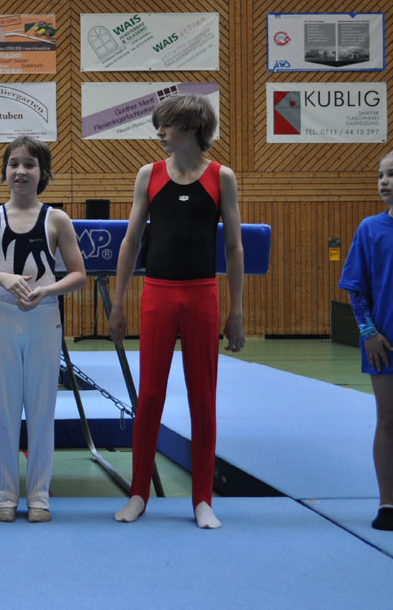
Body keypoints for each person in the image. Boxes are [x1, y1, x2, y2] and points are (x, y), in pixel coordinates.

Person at [108, 94, 244, 529]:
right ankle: (138, 494)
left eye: (166, 125)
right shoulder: (148, 174)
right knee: (150, 396)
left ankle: (202, 499)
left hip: (202, 296)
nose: (159, 132)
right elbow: (131, 241)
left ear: (191, 128)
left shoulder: (222, 178)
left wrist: (237, 310)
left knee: (203, 398)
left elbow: (234, 247)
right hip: (158, 295)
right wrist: (118, 301)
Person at [0, 136, 86, 523]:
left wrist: (48, 289)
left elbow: (79, 274)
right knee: (5, 409)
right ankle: (6, 495)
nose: (20, 171)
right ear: (4, 171)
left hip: (44, 317)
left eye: (29, 164)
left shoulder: (57, 219)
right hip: (3, 317)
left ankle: (39, 497)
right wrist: (1, 277)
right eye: (14, 163)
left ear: (42, 173)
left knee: (42, 410)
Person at [339, 150, 393, 531]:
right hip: (384, 343)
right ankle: (388, 502)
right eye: (380, 175)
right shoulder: (370, 229)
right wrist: (368, 333)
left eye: (391, 175)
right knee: (387, 420)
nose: (384, 182)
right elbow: (356, 289)